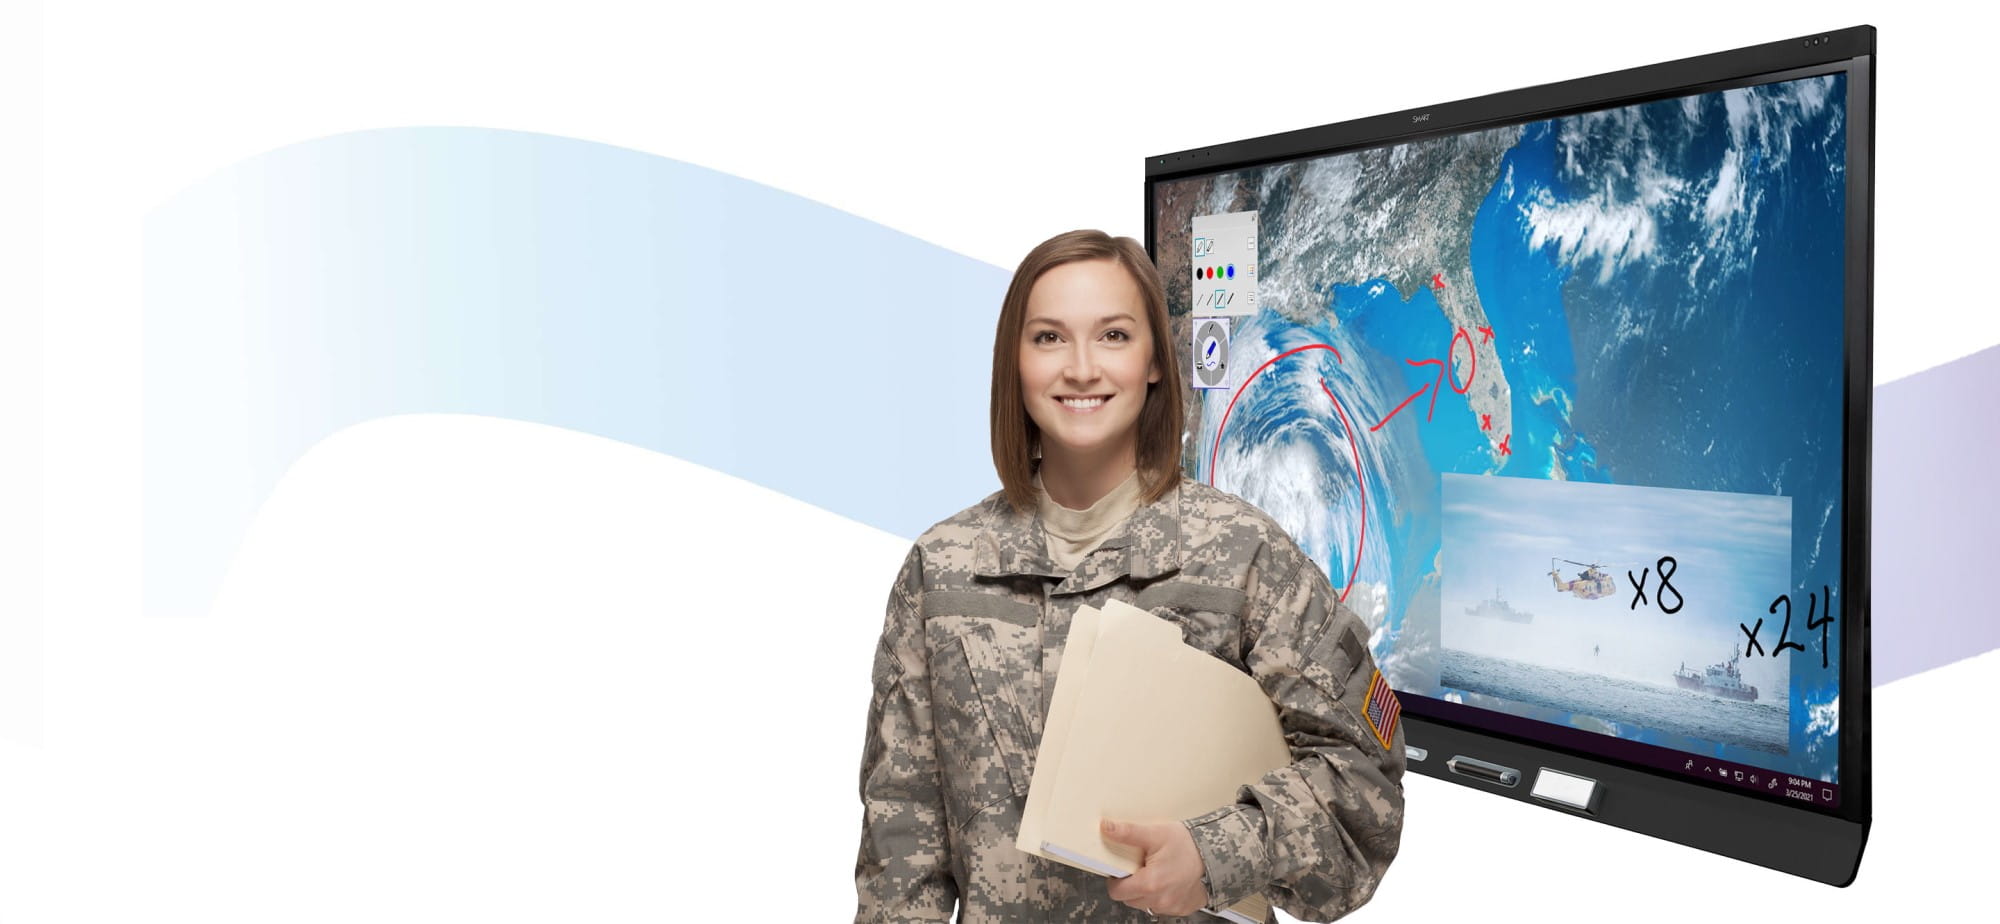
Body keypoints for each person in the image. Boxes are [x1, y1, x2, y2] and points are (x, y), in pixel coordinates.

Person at [854, 229, 1404, 922]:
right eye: (1049, 338)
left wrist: (1217, 855)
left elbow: (1366, 791)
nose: (1081, 368)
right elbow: (901, 841)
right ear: (1014, 363)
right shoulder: (941, 571)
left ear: (1152, 362)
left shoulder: (1244, 556)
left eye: (1113, 335)